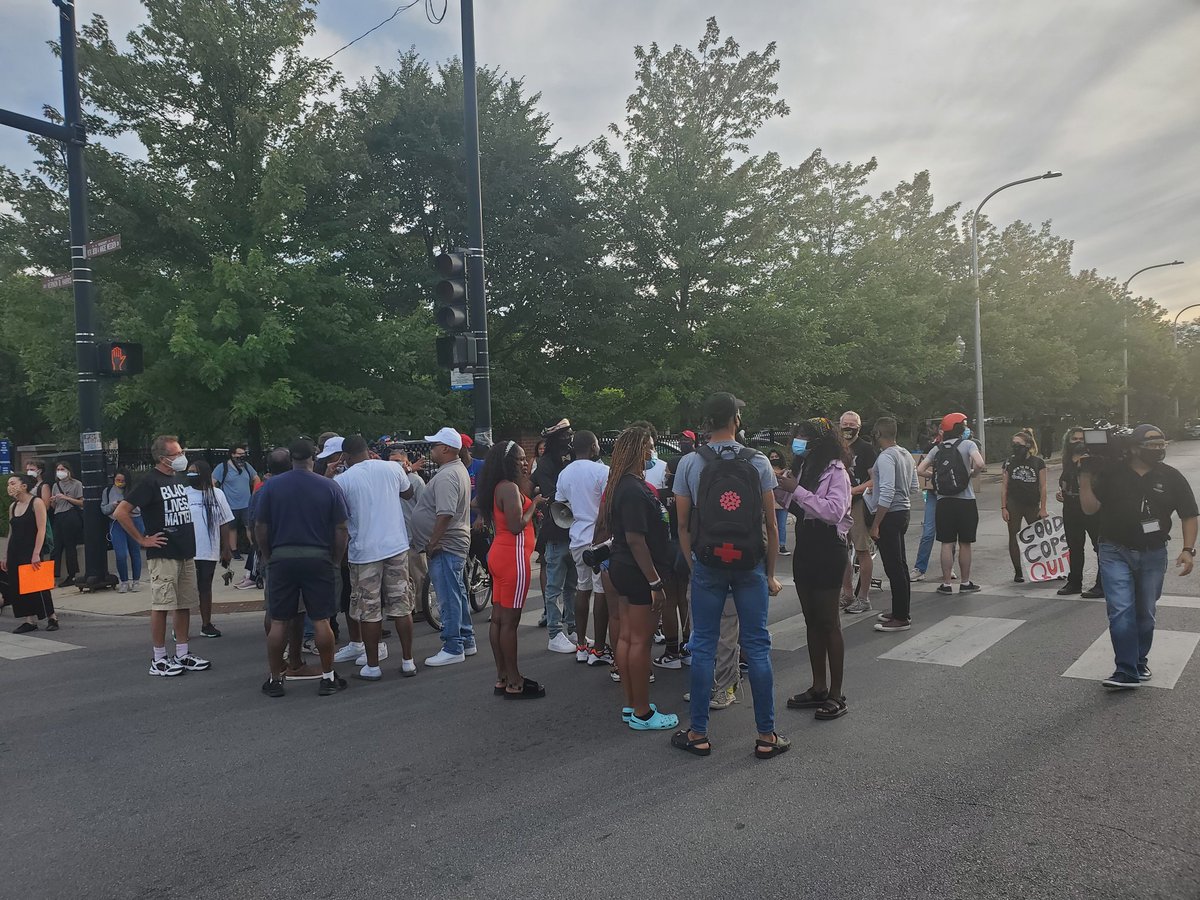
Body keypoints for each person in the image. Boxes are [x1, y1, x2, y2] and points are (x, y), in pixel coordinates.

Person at [673, 392, 788, 759]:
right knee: (757, 645)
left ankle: (698, 734)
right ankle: (767, 735)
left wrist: (695, 568)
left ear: (706, 423)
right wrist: (769, 574)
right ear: (735, 420)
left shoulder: (690, 463)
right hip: (749, 564)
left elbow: (683, 524)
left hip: (708, 563)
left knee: (704, 645)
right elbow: (770, 522)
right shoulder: (758, 462)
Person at [1079, 424, 1198, 689]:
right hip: (1114, 550)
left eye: (1161, 445)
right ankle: (1126, 670)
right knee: (1121, 610)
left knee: (1145, 612)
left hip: (1153, 553)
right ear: (1134, 448)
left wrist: (1188, 550)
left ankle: (1139, 661)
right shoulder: (1111, 474)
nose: (1158, 450)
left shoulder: (1171, 476)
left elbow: (1189, 514)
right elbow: (1089, 509)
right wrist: (1085, 477)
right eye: (1152, 446)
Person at [255, 439, 350, 697]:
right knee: (321, 620)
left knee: (279, 621)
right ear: (314, 457)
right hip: (317, 557)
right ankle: (328, 677)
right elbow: (341, 529)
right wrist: (334, 560)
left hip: (282, 558)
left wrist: (268, 556)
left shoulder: (271, 487)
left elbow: (261, 527)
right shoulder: (328, 486)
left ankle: (275, 679)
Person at [115, 435, 211, 677]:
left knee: (185, 603)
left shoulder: (177, 478)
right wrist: (142, 539)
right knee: (162, 605)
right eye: (176, 454)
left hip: (184, 551)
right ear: (162, 457)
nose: (181, 457)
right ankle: (158, 657)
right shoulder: (149, 481)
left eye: (181, 452)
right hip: (164, 553)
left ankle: (182, 652)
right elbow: (121, 512)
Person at [603, 426, 679, 730]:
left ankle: (631, 704)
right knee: (640, 642)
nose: (652, 452)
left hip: (624, 567)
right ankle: (643, 711)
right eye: (648, 446)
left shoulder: (623, 485)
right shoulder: (632, 490)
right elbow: (636, 539)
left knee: (627, 638)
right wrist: (655, 582)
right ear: (636, 450)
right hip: (637, 572)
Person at [777, 418, 852, 715]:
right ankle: (818, 686)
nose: (799, 440)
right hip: (805, 545)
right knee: (811, 620)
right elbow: (790, 502)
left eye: (805, 436)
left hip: (828, 547)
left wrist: (797, 490)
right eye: (798, 435)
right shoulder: (804, 467)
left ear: (820, 441)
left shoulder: (837, 471)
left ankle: (836, 693)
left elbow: (833, 511)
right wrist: (783, 486)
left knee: (828, 621)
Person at [333, 435, 417, 681]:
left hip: (364, 552)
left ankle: (372, 666)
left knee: (369, 611)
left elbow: (338, 513)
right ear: (368, 450)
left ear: (345, 456)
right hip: (396, 546)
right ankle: (408, 661)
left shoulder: (342, 480)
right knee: (402, 606)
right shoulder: (392, 468)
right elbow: (409, 493)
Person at [478, 441, 546, 698]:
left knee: (498, 618)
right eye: (519, 459)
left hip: (499, 554)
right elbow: (517, 525)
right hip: (513, 557)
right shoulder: (508, 488)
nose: (525, 462)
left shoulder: (497, 486)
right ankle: (515, 681)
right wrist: (534, 504)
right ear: (508, 463)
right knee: (509, 622)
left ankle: (502, 676)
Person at [410, 427, 476, 667]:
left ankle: (453, 645)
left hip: (446, 544)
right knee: (456, 592)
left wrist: (433, 541)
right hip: (451, 543)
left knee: (447, 596)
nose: (431, 450)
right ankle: (466, 639)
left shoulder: (448, 475)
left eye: (434, 445)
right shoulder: (454, 470)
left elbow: (445, 512)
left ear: (445, 448)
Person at [555, 430, 612, 664]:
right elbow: (608, 505)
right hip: (598, 539)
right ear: (593, 447)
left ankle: (581, 646)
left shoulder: (564, 474)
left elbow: (561, 507)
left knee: (582, 587)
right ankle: (598, 650)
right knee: (601, 592)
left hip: (577, 537)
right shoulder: (602, 471)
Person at [916, 413, 985, 595]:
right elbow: (980, 462)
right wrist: (971, 473)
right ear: (959, 427)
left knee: (946, 543)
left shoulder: (937, 449)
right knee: (965, 543)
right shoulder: (968, 444)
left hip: (943, 501)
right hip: (965, 501)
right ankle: (965, 582)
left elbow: (920, 470)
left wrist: (936, 476)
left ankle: (946, 583)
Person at [866, 416, 919, 630]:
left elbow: (887, 492)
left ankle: (901, 617)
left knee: (894, 567)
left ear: (878, 434)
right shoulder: (905, 454)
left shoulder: (886, 457)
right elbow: (914, 487)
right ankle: (899, 610)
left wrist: (876, 523)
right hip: (903, 511)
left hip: (889, 515)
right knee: (900, 565)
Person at [532, 418, 578, 652]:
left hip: (576, 531)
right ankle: (554, 633)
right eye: (565, 434)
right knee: (554, 587)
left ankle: (573, 628)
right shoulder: (545, 464)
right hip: (557, 530)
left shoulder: (574, 457)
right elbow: (552, 495)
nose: (570, 437)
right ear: (555, 438)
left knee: (573, 586)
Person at [2, 474, 58, 633]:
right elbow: (11, 531)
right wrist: (6, 555)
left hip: (31, 548)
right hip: (15, 549)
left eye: (13, 483)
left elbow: (41, 529)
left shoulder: (36, 502)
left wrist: (36, 552)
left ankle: (51, 617)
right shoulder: (13, 506)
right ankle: (29, 619)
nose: (10, 486)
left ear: (24, 485)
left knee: (38, 584)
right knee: (18, 584)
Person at [186, 461, 234, 638]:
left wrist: (226, 548)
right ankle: (180, 627)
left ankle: (206, 624)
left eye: (194, 472)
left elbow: (225, 522)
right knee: (185, 590)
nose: (190, 475)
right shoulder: (184, 494)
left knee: (205, 587)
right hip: (188, 550)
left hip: (208, 550)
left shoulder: (217, 494)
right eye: (189, 472)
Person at [1058, 427, 1103, 597]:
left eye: (1081, 438)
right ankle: (1074, 582)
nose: (1078, 441)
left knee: (1099, 546)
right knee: (1074, 547)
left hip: (1093, 508)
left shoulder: (1094, 458)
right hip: (1071, 507)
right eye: (1074, 438)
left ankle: (1102, 584)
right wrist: (1062, 492)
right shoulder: (1067, 459)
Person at [840, 411, 877, 613]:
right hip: (838, 505)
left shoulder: (866, 449)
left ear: (859, 427)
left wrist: (854, 490)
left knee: (862, 549)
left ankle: (863, 597)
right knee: (841, 549)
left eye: (851, 424)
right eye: (844, 423)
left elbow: (874, 479)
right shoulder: (836, 448)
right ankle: (847, 593)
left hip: (858, 503)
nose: (848, 427)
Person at [1001, 430, 1048, 583]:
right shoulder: (1009, 462)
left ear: (1027, 445)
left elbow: (1043, 486)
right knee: (1014, 536)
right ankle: (1018, 571)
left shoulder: (1038, 462)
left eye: (1018, 444)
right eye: (1013, 444)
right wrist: (1003, 507)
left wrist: (1043, 508)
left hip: (1032, 503)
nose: (1015, 447)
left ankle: (1041, 568)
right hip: (1014, 503)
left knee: (1037, 536)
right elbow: (1005, 486)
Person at [213, 444, 259, 561]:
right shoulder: (223, 467)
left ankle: (254, 548)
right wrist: (217, 497)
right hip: (230, 504)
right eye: (239, 454)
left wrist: (254, 494)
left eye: (243, 454)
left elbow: (256, 479)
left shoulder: (246, 466)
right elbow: (212, 481)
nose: (242, 456)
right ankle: (234, 550)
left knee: (250, 526)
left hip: (247, 503)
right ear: (232, 454)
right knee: (232, 529)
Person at [102, 469, 144, 593]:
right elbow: (104, 509)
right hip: (116, 522)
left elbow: (140, 508)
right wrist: (114, 506)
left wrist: (126, 507)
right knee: (121, 554)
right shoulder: (108, 491)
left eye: (122, 481)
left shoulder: (134, 490)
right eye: (117, 480)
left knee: (134, 551)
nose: (119, 483)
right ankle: (124, 581)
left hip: (133, 520)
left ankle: (136, 580)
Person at [49, 460, 84, 587]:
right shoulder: (55, 485)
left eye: (62, 469)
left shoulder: (76, 484)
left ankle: (72, 575)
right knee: (56, 547)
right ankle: (53, 574)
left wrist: (67, 498)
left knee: (70, 546)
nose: (60, 472)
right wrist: (52, 501)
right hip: (59, 515)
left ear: (68, 471)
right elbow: (53, 506)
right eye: (58, 470)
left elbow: (82, 503)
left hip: (71, 515)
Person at [768, 450, 791, 557]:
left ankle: (781, 545)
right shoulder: (766, 470)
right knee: (771, 524)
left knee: (781, 525)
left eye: (776, 456)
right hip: (770, 502)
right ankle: (771, 545)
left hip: (783, 502)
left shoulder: (787, 472)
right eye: (772, 457)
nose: (774, 458)